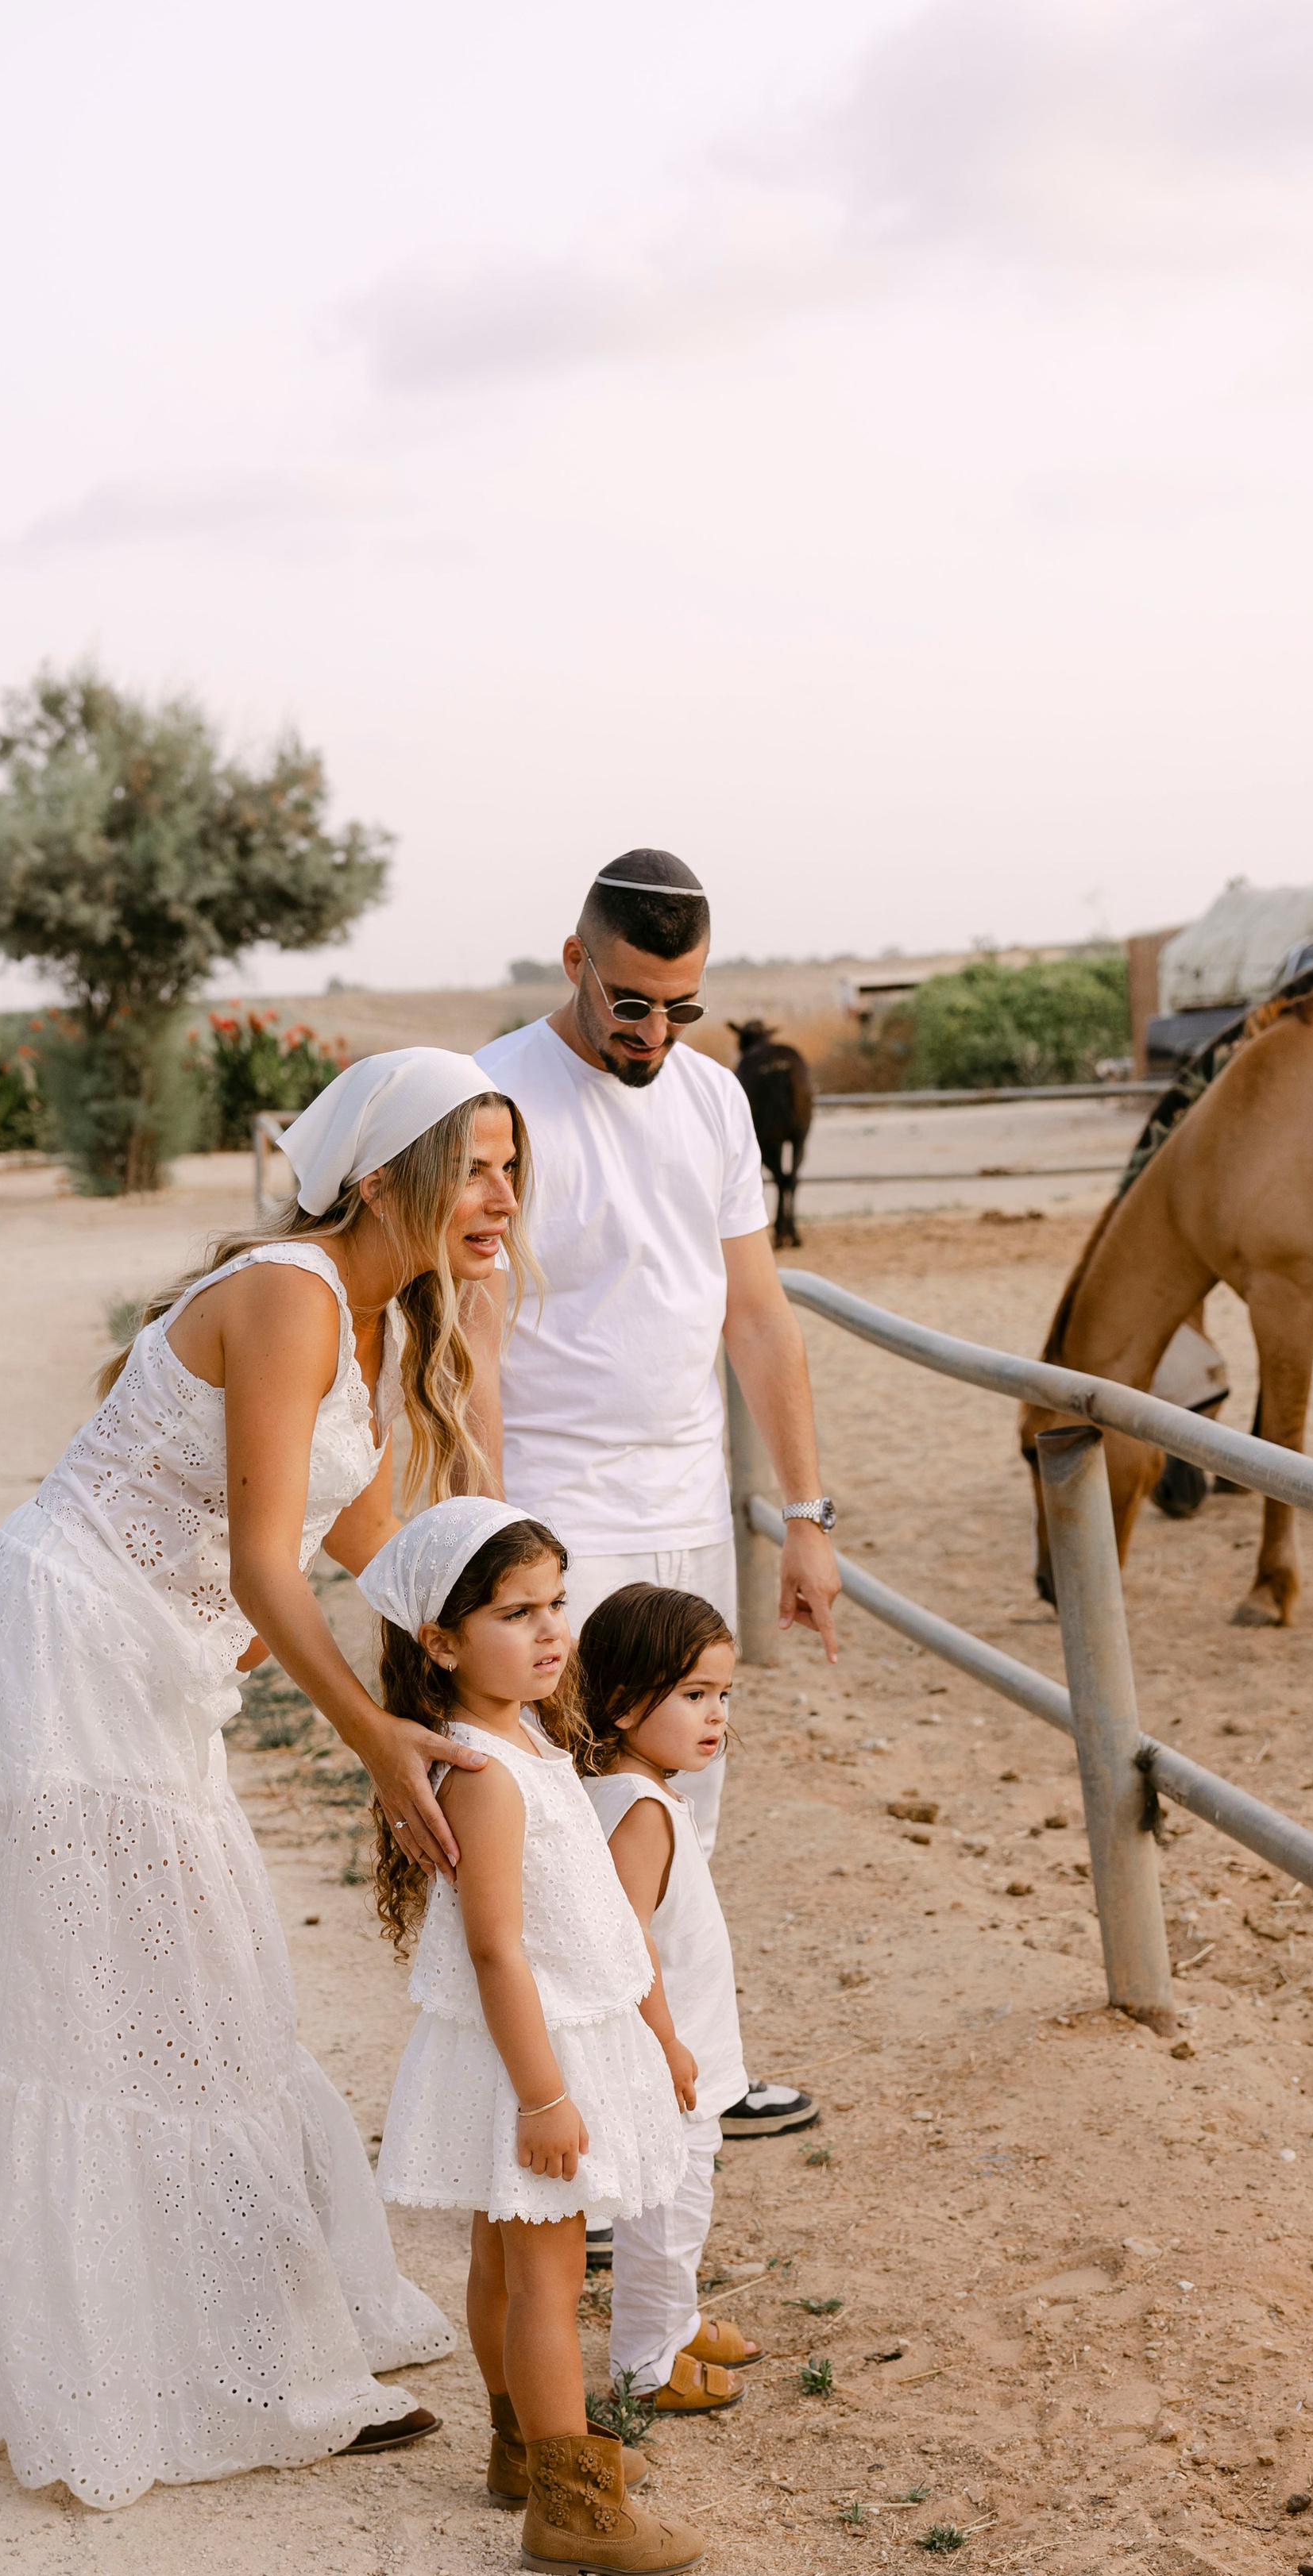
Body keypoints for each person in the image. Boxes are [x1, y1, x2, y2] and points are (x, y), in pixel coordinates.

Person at [0, 1049, 527, 2511]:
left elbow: (393, 1561)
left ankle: (251, 2342)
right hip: (69, 1659)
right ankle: (211, 2374)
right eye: (475, 1164)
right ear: (383, 1175)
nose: (502, 1196)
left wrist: (535, 1647)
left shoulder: (358, 1324)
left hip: (144, 1681)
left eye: (509, 1169)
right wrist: (378, 1740)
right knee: (140, 2003)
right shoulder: (294, 1295)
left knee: (198, 1995)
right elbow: (256, 1562)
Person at [480, 846, 837, 2161]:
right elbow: (466, 1338)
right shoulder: (496, 1097)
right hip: (558, 1514)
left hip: (689, 1500)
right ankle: (577, 2122)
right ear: (576, 962)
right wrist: (492, 1548)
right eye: (630, 1001)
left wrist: (805, 1516)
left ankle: (700, 2078)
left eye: (680, 1007)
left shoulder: (715, 1102)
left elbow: (758, 1315)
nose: (653, 1031)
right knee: (572, 1831)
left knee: (687, 1804)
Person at [364, 1502, 705, 2576]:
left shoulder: (531, 1738)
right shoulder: (487, 1772)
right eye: (517, 1613)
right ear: (443, 1642)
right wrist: (547, 2096)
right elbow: (500, 1951)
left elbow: (601, 1914)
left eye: (556, 1603)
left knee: (507, 2261)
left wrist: (657, 2028)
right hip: (532, 2053)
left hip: (545, 2040)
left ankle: (523, 2444)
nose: (552, 1630)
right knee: (547, 2278)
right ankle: (570, 2502)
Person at [576, 1585, 763, 2416]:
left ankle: (675, 2323)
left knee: (685, 2194)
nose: (715, 1715)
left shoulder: (634, 1788)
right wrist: (666, 2042)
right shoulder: (640, 1807)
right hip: (666, 2051)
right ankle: (648, 2361)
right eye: (692, 1695)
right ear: (620, 1703)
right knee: (670, 2203)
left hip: (679, 2040)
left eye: (723, 1695)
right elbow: (628, 1938)